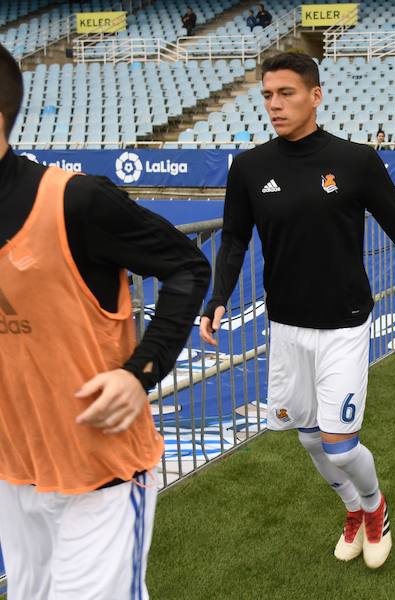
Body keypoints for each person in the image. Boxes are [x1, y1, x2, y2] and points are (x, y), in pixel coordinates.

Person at [199, 52, 395, 570]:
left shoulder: (355, 161)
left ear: (315, 95)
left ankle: (374, 506)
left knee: (340, 446)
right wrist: (218, 297)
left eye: (286, 93)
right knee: (309, 441)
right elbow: (233, 240)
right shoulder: (250, 167)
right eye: (268, 95)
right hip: (286, 326)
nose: (274, 104)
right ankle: (352, 509)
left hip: (343, 325)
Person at [0, 42, 210, 599]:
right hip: (14, 475)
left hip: (101, 476)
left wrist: (140, 372)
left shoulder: (74, 201)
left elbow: (187, 267)